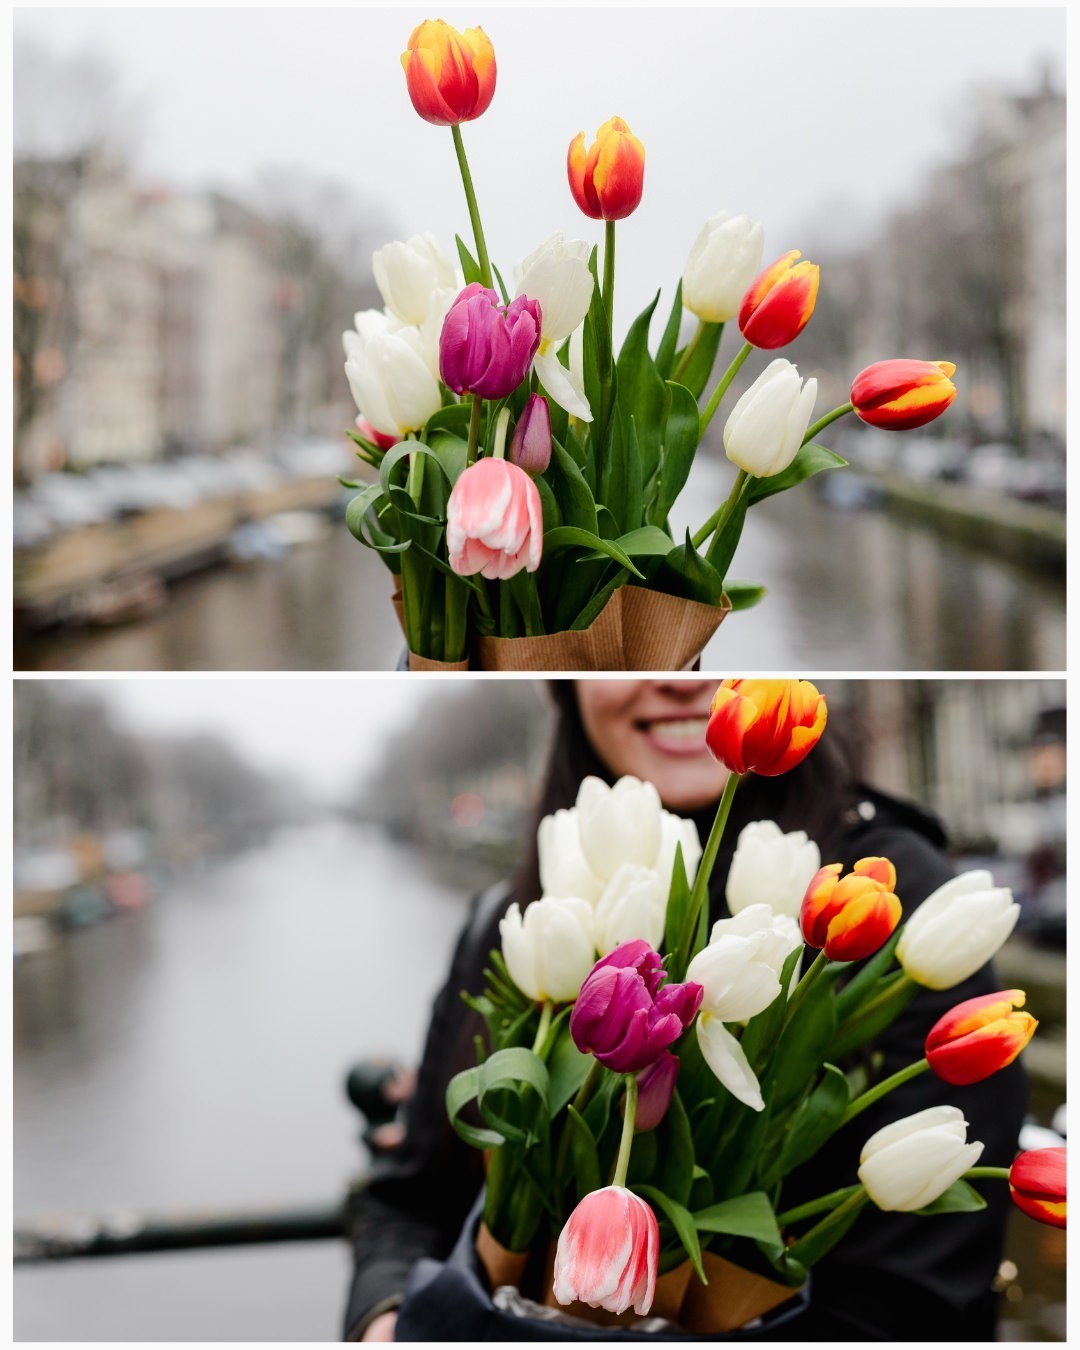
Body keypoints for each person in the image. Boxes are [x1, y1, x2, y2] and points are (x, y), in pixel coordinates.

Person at [343, 680, 1026, 1341]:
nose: (676, 685)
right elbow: (410, 1199)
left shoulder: (891, 901)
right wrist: (385, 1312)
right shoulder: (514, 911)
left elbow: (916, 1304)